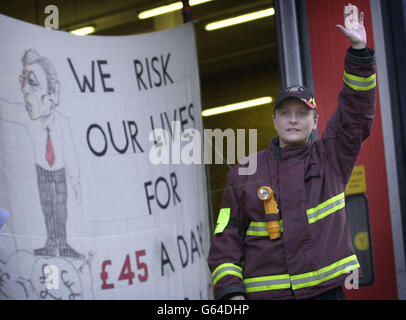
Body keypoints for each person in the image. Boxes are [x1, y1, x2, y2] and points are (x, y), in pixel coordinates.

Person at [207, 3, 376, 300]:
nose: (294, 119)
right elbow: (225, 239)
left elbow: (355, 113)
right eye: (285, 113)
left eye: (302, 113)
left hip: (326, 293)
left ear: (315, 120)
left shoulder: (331, 157)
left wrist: (359, 52)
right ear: (274, 120)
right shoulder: (243, 172)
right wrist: (231, 293)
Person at [0, 49, 84, 259]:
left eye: (33, 83)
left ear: (53, 92)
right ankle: (51, 242)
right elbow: (6, 108)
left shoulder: (62, 122)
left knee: (60, 206)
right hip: (42, 170)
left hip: (59, 171)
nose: (25, 91)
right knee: (47, 206)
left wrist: (76, 180)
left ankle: (62, 242)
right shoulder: (28, 120)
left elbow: (71, 154)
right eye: (23, 81)